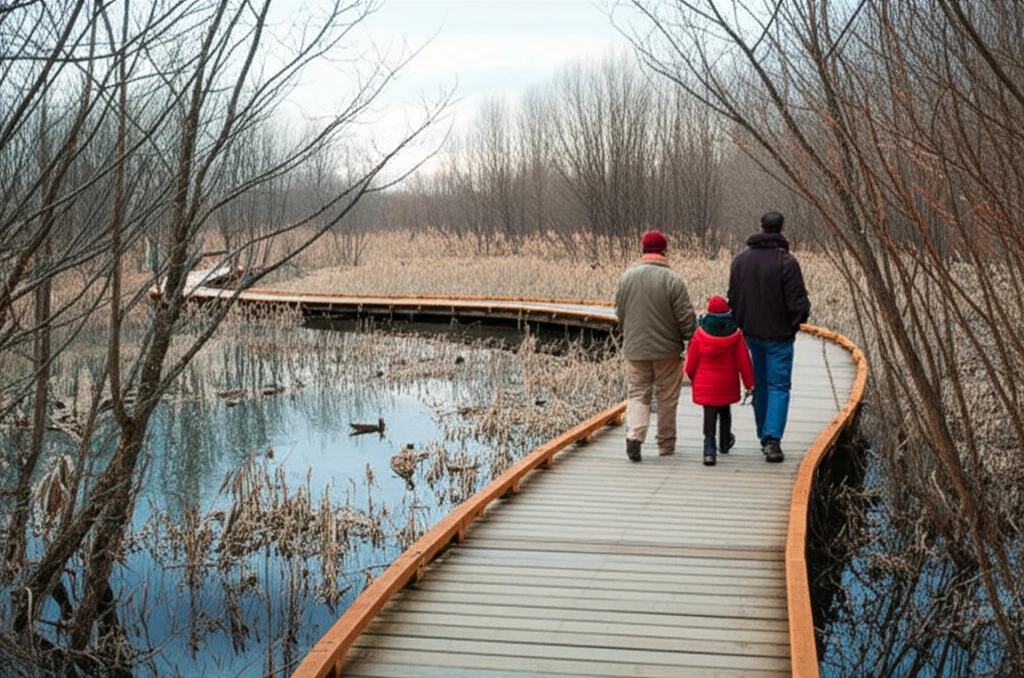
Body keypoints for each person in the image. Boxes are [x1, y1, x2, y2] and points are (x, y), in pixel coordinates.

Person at [727, 211, 811, 463]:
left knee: (760, 384)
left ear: (761, 228)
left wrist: (741, 322)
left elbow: (733, 297)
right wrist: (795, 323)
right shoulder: (787, 262)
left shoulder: (740, 261)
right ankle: (771, 439)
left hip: (751, 333)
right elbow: (798, 302)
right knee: (778, 386)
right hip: (779, 336)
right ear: (781, 229)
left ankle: (763, 432)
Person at [614, 230, 698, 462]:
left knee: (638, 393)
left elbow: (619, 313)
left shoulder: (626, 278)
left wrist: (628, 334)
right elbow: (685, 318)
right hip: (668, 351)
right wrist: (690, 337)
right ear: (664, 251)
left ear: (643, 250)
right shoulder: (674, 280)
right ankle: (665, 444)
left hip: (635, 349)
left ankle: (635, 436)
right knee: (667, 398)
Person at [684, 296, 754, 467]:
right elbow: (743, 360)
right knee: (724, 410)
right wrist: (749, 383)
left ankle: (709, 449)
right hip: (727, 381)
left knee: (709, 414)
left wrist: (693, 377)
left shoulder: (700, 334)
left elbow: (691, 362)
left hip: (706, 383)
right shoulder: (735, 334)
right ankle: (724, 441)